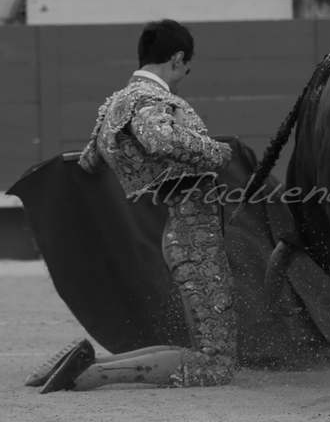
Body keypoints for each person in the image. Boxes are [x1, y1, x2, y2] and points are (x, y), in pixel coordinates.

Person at [34, 19, 236, 393]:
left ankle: (86, 360)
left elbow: (90, 161)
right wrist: (215, 153)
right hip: (195, 235)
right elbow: (158, 140)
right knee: (217, 362)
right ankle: (91, 375)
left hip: (174, 228)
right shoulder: (153, 100)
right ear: (177, 59)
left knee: (207, 351)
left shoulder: (115, 104)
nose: (181, 80)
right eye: (185, 70)